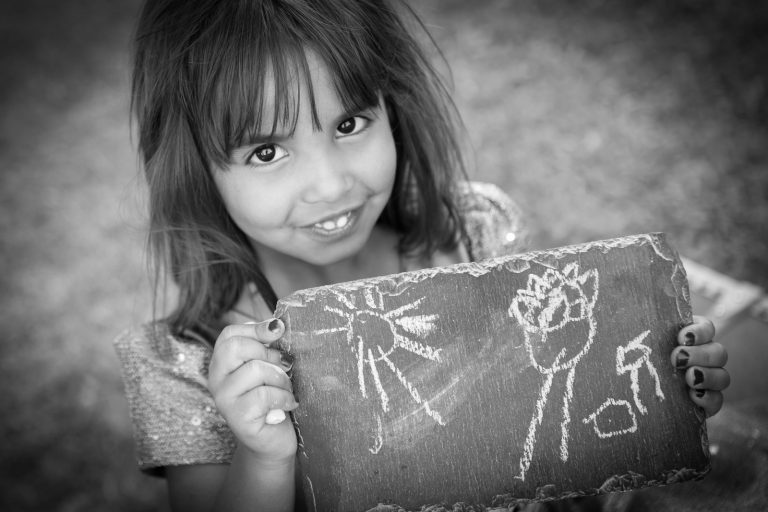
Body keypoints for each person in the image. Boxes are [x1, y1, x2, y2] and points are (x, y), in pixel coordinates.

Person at [114, 1, 730, 511]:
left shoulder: (473, 234)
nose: (331, 185)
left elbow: (560, 409)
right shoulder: (186, 363)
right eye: (267, 153)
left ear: (393, 107)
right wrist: (262, 452)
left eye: (350, 123)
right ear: (195, 169)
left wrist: (659, 391)